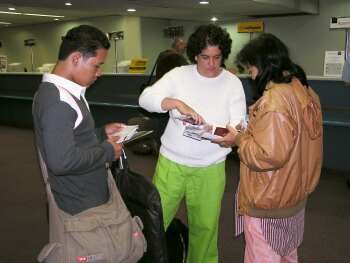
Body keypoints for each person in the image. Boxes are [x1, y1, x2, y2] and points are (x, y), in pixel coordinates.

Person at [139, 24, 247, 263]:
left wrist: (232, 134)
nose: (211, 64)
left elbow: (240, 122)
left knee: (205, 230)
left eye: (217, 57)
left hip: (211, 166)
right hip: (172, 163)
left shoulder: (232, 83)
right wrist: (175, 103)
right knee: (155, 223)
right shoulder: (179, 75)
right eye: (205, 57)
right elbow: (146, 98)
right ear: (195, 55)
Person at [215, 33, 323, 262]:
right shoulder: (303, 90)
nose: (251, 75)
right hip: (292, 196)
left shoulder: (275, 100)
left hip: (269, 199)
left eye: (251, 69)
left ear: (263, 65)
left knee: (263, 255)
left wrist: (238, 139)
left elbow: (267, 156)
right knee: (287, 254)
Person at [32, 24, 123, 215]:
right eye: (96, 65)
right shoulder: (58, 101)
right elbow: (62, 161)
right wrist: (106, 151)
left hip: (85, 195)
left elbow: (71, 140)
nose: (99, 73)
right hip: (82, 205)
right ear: (76, 58)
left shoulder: (65, 93)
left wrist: (100, 133)